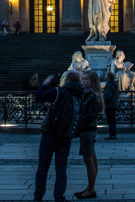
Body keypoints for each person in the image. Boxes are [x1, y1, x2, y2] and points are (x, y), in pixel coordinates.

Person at [34, 71, 84, 202]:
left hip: (50, 133)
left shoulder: (59, 91)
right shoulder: (80, 94)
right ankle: (59, 197)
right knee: (61, 169)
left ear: (67, 79)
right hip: (66, 136)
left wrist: (45, 84)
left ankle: (38, 197)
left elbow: (39, 96)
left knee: (43, 167)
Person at [74, 70, 105, 200]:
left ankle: (91, 189)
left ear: (93, 81)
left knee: (88, 159)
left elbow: (92, 114)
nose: (83, 81)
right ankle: (89, 187)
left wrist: (79, 119)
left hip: (88, 129)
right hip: (87, 129)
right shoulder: (88, 94)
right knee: (92, 157)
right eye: (83, 79)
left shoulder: (93, 95)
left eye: (86, 79)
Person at [103, 71, 118, 140]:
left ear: (108, 77)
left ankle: (112, 134)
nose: (105, 76)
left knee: (110, 120)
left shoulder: (109, 85)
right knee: (112, 120)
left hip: (109, 105)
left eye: (106, 75)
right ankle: (113, 133)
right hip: (113, 104)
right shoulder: (113, 84)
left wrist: (103, 102)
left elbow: (107, 95)